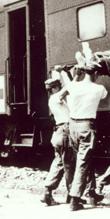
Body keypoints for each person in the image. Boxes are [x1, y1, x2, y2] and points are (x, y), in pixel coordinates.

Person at [63, 63, 108, 211]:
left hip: (73, 126)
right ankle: (75, 199)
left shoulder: (73, 85)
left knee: (81, 162)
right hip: (86, 127)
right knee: (83, 164)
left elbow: (64, 93)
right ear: (95, 73)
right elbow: (104, 96)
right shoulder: (99, 88)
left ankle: (88, 193)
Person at [40, 78, 79, 206]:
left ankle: (48, 192)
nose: (60, 88)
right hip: (64, 131)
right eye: (58, 86)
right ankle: (72, 195)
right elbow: (66, 90)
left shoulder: (54, 100)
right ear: (54, 89)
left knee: (58, 162)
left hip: (59, 132)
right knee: (68, 163)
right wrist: (77, 76)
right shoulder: (55, 98)